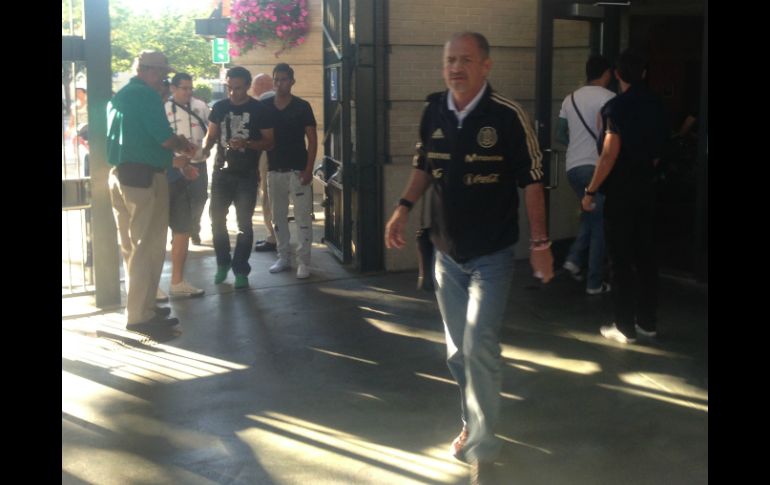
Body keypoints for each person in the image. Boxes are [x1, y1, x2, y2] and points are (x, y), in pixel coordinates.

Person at [384, 32, 554, 484]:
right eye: (449, 60)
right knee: (459, 352)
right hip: (447, 256)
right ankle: (472, 423)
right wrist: (402, 208)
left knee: (479, 346)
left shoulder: (508, 116)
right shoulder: (433, 110)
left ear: (486, 66)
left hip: (491, 256)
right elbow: (424, 166)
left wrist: (540, 245)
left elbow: (533, 182)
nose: (455, 68)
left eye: (465, 60)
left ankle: (484, 447)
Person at [582, 49, 668, 344]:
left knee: (620, 259)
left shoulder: (616, 108)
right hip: (648, 189)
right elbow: (658, 153)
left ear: (617, 74)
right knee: (646, 257)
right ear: (643, 73)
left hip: (621, 191)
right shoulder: (657, 105)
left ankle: (624, 326)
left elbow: (609, 155)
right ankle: (647, 322)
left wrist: (590, 191)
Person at [106, 50, 196, 331]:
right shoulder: (146, 95)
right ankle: (139, 316)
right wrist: (183, 145)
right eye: (162, 75)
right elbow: (164, 139)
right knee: (148, 247)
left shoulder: (122, 95)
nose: (164, 81)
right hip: (145, 180)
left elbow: (138, 139)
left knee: (132, 248)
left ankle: (143, 307)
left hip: (121, 176)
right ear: (150, 71)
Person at [203, 66, 274, 289]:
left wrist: (248, 143)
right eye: (230, 88)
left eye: (239, 88)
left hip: (247, 174)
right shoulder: (220, 107)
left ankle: (241, 269)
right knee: (217, 221)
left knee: (244, 224)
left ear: (248, 86)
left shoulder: (259, 109)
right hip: (221, 172)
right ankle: (223, 262)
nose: (233, 93)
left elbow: (269, 142)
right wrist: (202, 152)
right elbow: (211, 136)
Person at [556, 54, 615, 294]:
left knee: (590, 215)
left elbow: (560, 134)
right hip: (596, 168)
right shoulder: (609, 98)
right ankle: (594, 282)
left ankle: (573, 259)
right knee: (599, 224)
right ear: (606, 73)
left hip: (573, 167)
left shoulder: (569, 99)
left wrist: (576, 145)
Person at [264, 63, 318, 279]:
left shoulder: (302, 106)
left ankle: (304, 261)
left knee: (302, 217)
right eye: (276, 79)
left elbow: (312, 140)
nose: (279, 84)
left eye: (284, 79)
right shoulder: (265, 106)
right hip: (274, 168)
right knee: (278, 217)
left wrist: (309, 169)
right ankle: (283, 256)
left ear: (292, 81)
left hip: (298, 169)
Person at [162, 72, 210, 297]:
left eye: (190, 88)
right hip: (173, 168)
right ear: (173, 88)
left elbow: (212, 128)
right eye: (184, 88)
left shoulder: (200, 107)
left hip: (198, 163)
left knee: (200, 199)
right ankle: (182, 232)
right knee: (176, 216)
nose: (188, 92)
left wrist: (207, 148)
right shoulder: (164, 109)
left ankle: (192, 226)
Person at [250, 72, 278, 252]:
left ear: (258, 86)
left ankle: (273, 237)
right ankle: (280, 236)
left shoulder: (261, 105)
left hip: (268, 156)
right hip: (286, 157)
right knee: (279, 198)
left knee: (268, 197)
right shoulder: (284, 101)